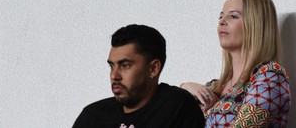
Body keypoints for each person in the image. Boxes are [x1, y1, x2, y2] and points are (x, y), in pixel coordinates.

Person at [180, 0, 290, 127]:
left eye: (233, 16)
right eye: (220, 16)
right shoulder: (215, 88)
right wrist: (183, 89)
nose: (222, 21)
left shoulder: (270, 75)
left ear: (255, 25)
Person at [71, 24, 205, 127]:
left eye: (125, 65)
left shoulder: (177, 106)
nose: (114, 75)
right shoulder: (92, 116)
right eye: (112, 66)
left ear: (153, 68)